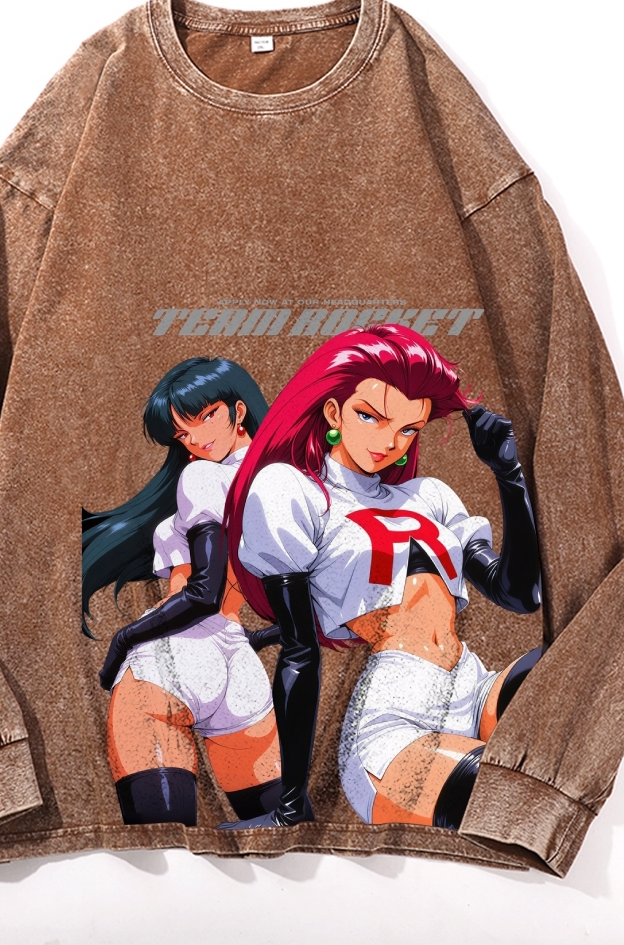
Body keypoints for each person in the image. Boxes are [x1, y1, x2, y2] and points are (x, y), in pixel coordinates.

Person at [219, 325, 543, 829]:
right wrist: (290, 804)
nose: (389, 441)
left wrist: (509, 475)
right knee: (511, 792)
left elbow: (519, 594)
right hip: (394, 726)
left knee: (574, 663)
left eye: (408, 429)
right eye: (370, 416)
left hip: (475, 685)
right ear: (333, 412)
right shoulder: (292, 491)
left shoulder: (429, 496)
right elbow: (300, 653)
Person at [82, 357, 283, 827]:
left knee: (163, 849)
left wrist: (124, 639)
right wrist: (253, 639)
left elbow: (204, 592)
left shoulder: (202, 477)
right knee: (278, 846)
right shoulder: (289, 485)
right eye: (182, 432)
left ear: (238, 410)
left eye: (205, 416)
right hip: (242, 672)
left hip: (168, 661)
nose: (195, 439)